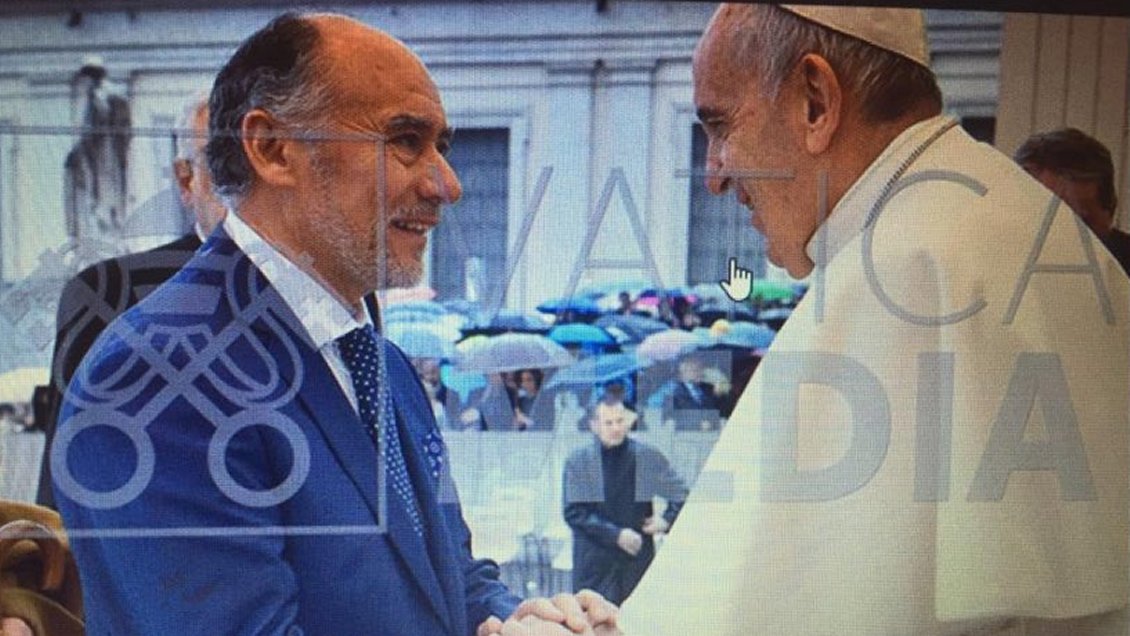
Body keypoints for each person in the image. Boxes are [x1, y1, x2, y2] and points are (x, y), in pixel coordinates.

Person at [51, 13, 614, 636]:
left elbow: (447, 575)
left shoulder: (382, 364)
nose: (446, 184)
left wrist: (517, 617)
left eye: (442, 148)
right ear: (271, 148)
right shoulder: (160, 374)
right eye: (404, 141)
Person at [614, 5, 1129, 635]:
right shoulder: (1011, 216)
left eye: (720, 126)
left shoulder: (906, 269)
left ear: (815, 101)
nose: (715, 174)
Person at [36, 96, 226, 509]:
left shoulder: (336, 296)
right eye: (224, 162)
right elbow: (66, 482)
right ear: (185, 179)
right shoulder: (110, 292)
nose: (245, 184)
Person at [563, 401, 687, 606]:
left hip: (635, 560)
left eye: (620, 421)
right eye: (608, 423)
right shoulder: (579, 461)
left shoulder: (645, 456)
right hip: (595, 561)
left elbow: (681, 493)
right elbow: (574, 512)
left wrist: (666, 520)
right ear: (594, 425)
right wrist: (616, 535)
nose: (616, 428)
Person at [1015, 128, 1130, 277]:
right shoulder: (994, 263)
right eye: (1042, 221)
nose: (1060, 237)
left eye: (1080, 224)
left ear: (1109, 212)